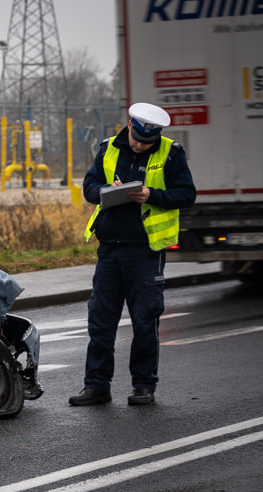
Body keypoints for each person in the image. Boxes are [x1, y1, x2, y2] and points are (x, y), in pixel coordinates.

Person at [69, 102, 196, 407]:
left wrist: (152, 195)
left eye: (147, 143)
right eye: (138, 140)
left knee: (144, 322)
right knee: (100, 323)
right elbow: (88, 186)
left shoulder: (171, 152)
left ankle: (143, 387)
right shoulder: (108, 148)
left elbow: (186, 194)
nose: (140, 147)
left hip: (145, 251)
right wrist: (105, 191)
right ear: (129, 126)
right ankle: (97, 386)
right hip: (110, 250)